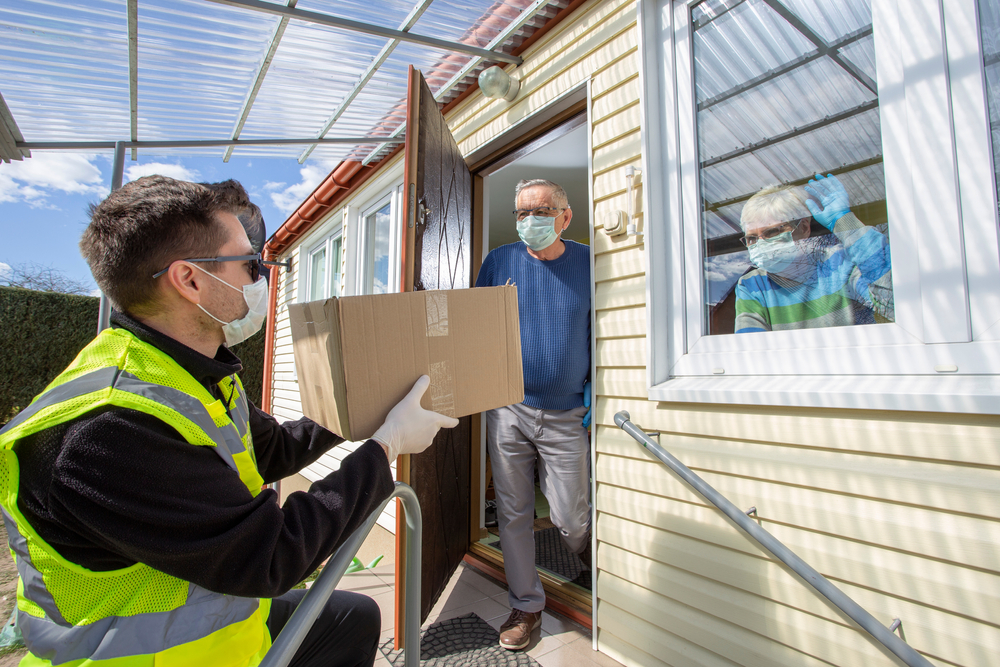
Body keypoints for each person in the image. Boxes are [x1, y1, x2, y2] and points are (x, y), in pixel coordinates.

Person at [0, 176, 458, 667]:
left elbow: (273, 450)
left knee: (353, 617)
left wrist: (367, 402)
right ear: (190, 279)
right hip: (149, 656)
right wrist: (386, 447)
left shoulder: (187, 372)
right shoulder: (108, 430)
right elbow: (272, 556)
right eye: (249, 264)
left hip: (216, 609)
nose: (261, 279)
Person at [475, 178, 591, 651]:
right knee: (514, 512)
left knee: (571, 517)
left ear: (565, 216)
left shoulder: (588, 262)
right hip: (509, 407)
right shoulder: (498, 261)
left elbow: (604, 326)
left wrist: (598, 383)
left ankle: (588, 558)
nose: (529, 221)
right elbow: (475, 325)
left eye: (540, 211)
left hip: (567, 412)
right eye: (522, 213)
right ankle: (526, 606)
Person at [734, 173, 894, 333]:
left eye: (772, 232)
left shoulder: (841, 263)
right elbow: (751, 344)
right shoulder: (752, 284)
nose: (761, 244)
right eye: (752, 238)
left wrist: (844, 222)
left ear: (804, 228)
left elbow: (891, 305)